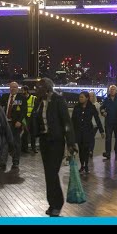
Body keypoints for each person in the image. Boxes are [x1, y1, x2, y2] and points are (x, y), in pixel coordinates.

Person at [31, 78, 78, 217]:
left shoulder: (58, 100)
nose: (36, 89)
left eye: (39, 87)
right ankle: (52, 204)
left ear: (47, 88)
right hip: (44, 141)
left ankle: (57, 204)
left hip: (56, 142)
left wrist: (71, 142)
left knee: (52, 172)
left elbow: (66, 122)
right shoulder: (38, 101)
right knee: (48, 174)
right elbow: (35, 119)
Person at [71, 91, 104, 173]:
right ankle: (82, 165)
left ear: (87, 98)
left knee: (86, 149)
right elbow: (73, 120)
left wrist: (101, 131)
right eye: (79, 97)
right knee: (81, 149)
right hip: (78, 131)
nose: (80, 99)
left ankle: (86, 165)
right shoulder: (76, 107)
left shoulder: (91, 107)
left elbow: (97, 119)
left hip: (88, 131)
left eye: (82, 97)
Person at [0, 82, 27, 170]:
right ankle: (2, 162)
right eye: (11, 87)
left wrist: (19, 121)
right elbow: (0, 108)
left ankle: (15, 162)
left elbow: (24, 110)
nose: (13, 89)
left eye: (15, 87)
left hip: (15, 124)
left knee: (15, 143)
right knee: (4, 142)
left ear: (18, 88)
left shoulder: (21, 98)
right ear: (9, 88)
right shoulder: (4, 96)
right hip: (5, 123)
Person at [21, 85, 38, 154]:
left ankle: (34, 148)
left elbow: (36, 107)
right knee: (25, 133)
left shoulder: (33, 98)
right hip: (24, 118)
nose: (21, 92)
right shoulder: (21, 98)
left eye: (22, 90)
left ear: (26, 90)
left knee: (33, 133)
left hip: (32, 118)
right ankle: (25, 149)